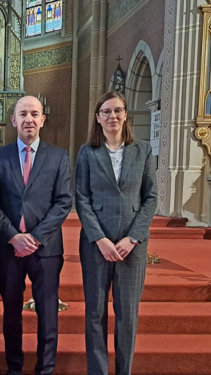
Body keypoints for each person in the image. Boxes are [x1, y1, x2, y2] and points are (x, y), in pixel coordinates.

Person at [74, 91, 157, 375]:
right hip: (96, 245)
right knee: (95, 314)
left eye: (118, 111)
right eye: (106, 112)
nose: (113, 116)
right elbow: (81, 198)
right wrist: (99, 239)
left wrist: (133, 237)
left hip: (131, 247)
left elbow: (151, 197)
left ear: (125, 115)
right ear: (98, 118)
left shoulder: (143, 150)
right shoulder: (88, 152)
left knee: (127, 316)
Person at [0, 96, 72, 375]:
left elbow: (63, 202)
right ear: (14, 120)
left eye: (34, 114)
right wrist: (13, 236)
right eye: (23, 114)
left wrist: (34, 237)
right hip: (7, 248)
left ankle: (45, 369)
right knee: (10, 311)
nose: (29, 119)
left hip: (46, 249)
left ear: (42, 120)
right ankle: (14, 367)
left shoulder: (58, 156)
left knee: (48, 313)